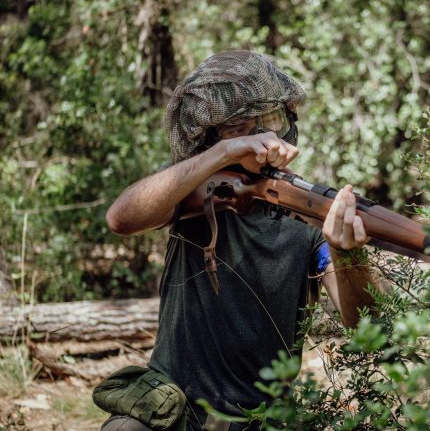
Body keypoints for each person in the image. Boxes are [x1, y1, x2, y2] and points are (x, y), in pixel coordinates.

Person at [101, 51, 377, 431]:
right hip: (173, 405)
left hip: (259, 420)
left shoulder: (311, 217)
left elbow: (365, 327)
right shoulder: (193, 188)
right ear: (209, 137)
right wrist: (223, 153)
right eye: (238, 127)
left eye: (269, 120)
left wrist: (348, 255)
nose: (260, 135)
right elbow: (121, 218)